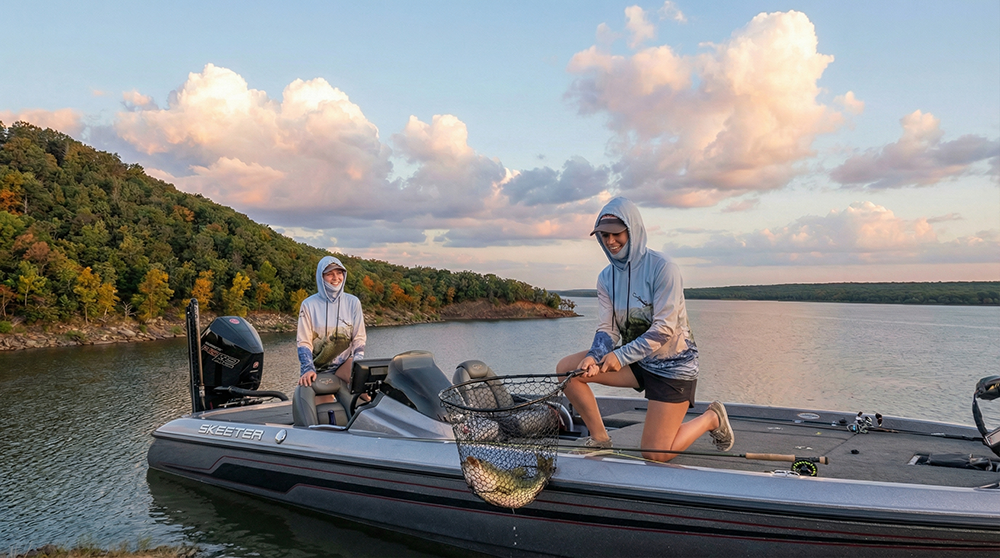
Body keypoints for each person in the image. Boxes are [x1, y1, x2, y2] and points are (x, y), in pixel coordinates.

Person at [557, 197, 734, 462]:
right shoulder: (606, 277)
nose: (609, 241)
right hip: (637, 361)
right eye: (604, 235)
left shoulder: (664, 268)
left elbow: (664, 329)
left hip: (672, 366)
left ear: (633, 230)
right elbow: (608, 329)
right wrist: (595, 355)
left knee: (655, 454)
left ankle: (712, 417)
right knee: (567, 370)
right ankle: (601, 439)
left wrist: (618, 357)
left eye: (616, 233)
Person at [296, 256, 367, 413]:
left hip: (344, 365)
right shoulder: (308, 305)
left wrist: (358, 364)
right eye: (329, 274)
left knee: (369, 393)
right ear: (321, 277)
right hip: (318, 370)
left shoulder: (353, 302)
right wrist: (307, 368)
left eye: (339, 273)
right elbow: (303, 341)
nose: (336, 278)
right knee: (321, 413)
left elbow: (359, 337)